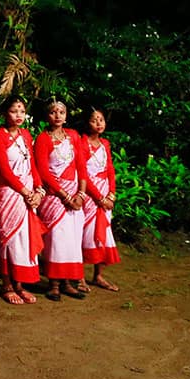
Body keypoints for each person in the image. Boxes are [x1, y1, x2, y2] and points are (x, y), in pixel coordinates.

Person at [33, 97, 92, 302]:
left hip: (75, 195)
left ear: (66, 116)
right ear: (47, 116)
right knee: (57, 240)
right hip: (54, 196)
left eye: (61, 112)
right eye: (53, 112)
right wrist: (65, 195)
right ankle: (54, 284)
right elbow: (43, 171)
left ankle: (68, 282)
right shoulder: (42, 139)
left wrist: (81, 194)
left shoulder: (74, 136)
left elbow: (82, 167)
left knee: (73, 240)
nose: (57, 116)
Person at [0, 94, 45, 305]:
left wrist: (38, 190)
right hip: (9, 193)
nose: (19, 115)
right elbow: (4, 169)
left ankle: (20, 284)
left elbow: (32, 166)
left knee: (24, 239)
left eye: (22, 111)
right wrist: (25, 192)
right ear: (5, 113)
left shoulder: (26, 135)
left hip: (28, 194)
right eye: (14, 111)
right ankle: (6, 285)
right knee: (8, 239)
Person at [77, 106, 121, 292]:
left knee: (103, 233)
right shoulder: (81, 143)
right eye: (94, 120)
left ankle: (98, 275)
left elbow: (110, 170)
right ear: (87, 123)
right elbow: (83, 172)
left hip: (105, 194)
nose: (98, 123)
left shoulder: (105, 144)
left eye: (101, 120)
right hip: (89, 194)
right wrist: (99, 197)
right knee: (83, 234)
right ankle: (78, 276)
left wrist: (111, 194)